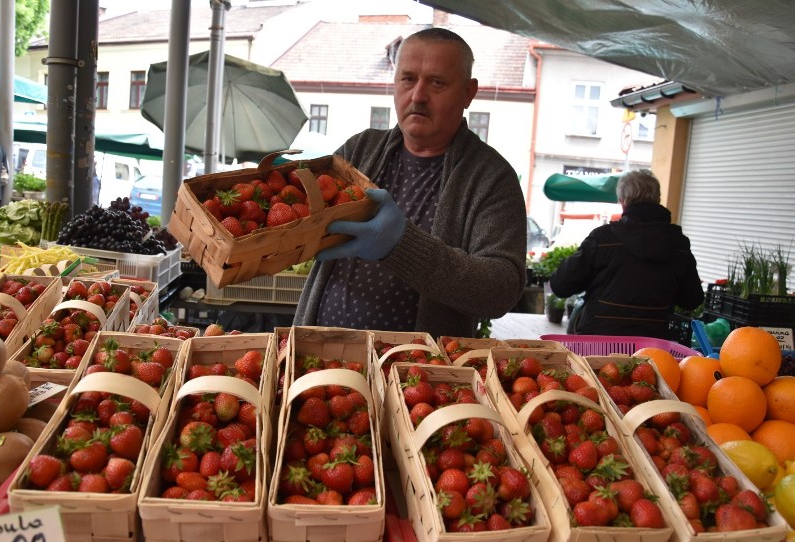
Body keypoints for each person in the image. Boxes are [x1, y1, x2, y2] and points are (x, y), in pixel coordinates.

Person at [293, 28, 528, 338]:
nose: (418, 95)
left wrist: (402, 245)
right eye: (408, 79)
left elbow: (502, 288)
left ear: (469, 93)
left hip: (417, 375)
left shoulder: (491, 178)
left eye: (437, 82)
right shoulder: (358, 150)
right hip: (319, 359)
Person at [549, 169, 704, 340]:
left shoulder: (603, 239)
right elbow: (692, 299)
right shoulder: (679, 245)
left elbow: (560, 285)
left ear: (623, 202)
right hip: (652, 347)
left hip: (597, 341)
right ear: (658, 200)